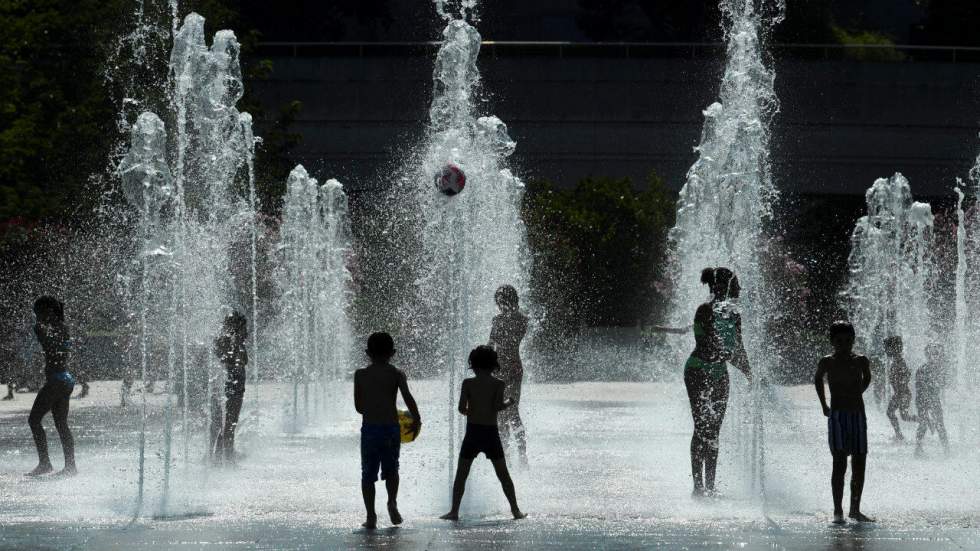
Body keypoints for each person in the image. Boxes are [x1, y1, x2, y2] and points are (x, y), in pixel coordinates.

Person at [655, 267, 751, 497]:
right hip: (698, 371)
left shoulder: (735, 315)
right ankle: (697, 487)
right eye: (735, 285)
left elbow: (738, 348)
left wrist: (750, 373)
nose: (739, 289)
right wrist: (728, 356)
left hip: (719, 373)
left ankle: (711, 485)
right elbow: (707, 343)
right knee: (701, 428)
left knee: (714, 430)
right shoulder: (704, 311)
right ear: (722, 286)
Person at [441, 345, 526, 521]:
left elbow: (460, 408)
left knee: (461, 474)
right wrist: (509, 402)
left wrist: (470, 411)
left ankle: (454, 511)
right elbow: (497, 407)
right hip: (490, 434)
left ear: (473, 363)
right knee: (503, 475)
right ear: (494, 364)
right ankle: (516, 511)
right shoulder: (498, 384)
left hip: (472, 433)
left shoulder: (468, 383)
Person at [354, 332, 421, 530]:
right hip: (391, 429)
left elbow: (359, 407)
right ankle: (392, 502)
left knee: (368, 474)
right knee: (392, 470)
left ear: (367, 353)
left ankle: (371, 515)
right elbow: (408, 397)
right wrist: (417, 418)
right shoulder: (397, 374)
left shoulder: (361, 374)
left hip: (370, 430)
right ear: (393, 352)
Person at [814, 321, 874, 524]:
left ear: (853, 340)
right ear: (832, 341)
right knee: (839, 463)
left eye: (848, 340)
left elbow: (867, 378)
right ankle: (837, 510)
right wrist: (824, 405)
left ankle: (855, 509)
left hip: (857, 415)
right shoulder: (827, 361)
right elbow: (817, 379)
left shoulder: (861, 360)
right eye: (839, 341)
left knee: (859, 463)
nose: (844, 344)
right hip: (838, 416)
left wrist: (858, 392)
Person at [26, 296, 77, 477]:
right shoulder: (61, 327)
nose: (37, 317)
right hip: (64, 379)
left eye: (38, 313)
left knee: (33, 420)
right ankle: (70, 467)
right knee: (61, 424)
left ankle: (45, 463)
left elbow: (52, 350)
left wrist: (40, 335)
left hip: (57, 381)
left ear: (48, 311)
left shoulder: (59, 329)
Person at [489, 284, 529, 466]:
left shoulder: (498, 320)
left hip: (503, 369)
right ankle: (518, 454)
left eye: (499, 301)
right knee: (510, 413)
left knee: (506, 414)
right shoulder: (523, 320)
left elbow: (491, 344)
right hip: (513, 368)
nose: (498, 305)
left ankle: (515, 455)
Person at [211, 311, 248, 464]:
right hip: (233, 387)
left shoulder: (224, 342)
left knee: (221, 423)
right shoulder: (233, 344)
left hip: (228, 387)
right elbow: (240, 361)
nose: (247, 332)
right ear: (237, 328)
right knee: (230, 423)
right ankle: (228, 457)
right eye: (244, 328)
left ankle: (218, 455)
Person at [914, 343, 949, 457]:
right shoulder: (924, 369)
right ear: (928, 355)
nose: (935, 356)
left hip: (930, 399)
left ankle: (946, 450)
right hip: (924, 399)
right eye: (933, 354)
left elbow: (941, 384)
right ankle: (919, 450)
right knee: (926, 424)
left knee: (938, 424)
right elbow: (920, 387)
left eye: (937, 354)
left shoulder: (937, 369)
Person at [884, 335, 915, 441]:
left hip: (902, 394)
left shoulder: (899, 362)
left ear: (893, 348)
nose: (885, 351)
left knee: (901, 415)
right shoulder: (897, 361)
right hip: (900, 393)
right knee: (901, 415)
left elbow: (906, 375)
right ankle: (899, 435)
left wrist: (901, 391)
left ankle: (925, 421)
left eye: (887, 348)